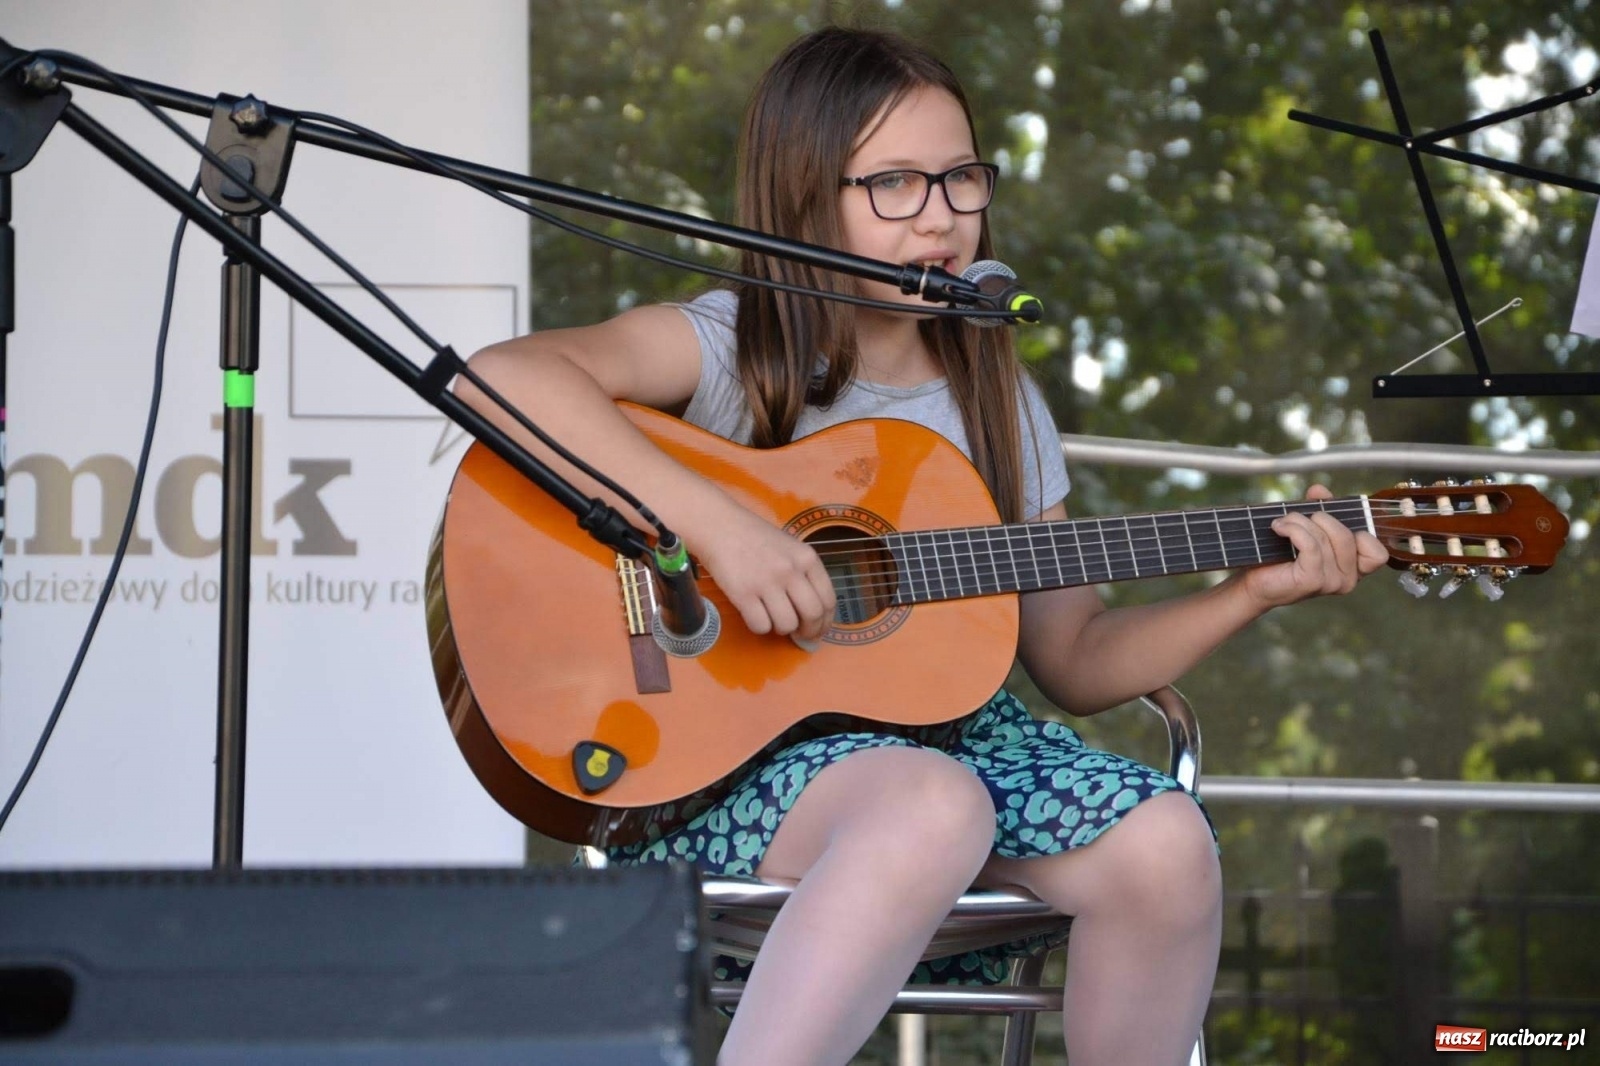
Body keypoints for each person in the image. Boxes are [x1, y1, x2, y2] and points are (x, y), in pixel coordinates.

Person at [461, 26, 1387, 1066]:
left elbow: (1074, 661)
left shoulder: (996, 395)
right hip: (722, 765)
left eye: (960, 179)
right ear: (808, 195)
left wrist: (1245, 593)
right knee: (930, 803)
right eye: (894, 183)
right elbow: (499, 378)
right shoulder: (734, 347)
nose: (940, 216)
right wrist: (721, 526)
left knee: (1165, 841)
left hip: (957, 745)